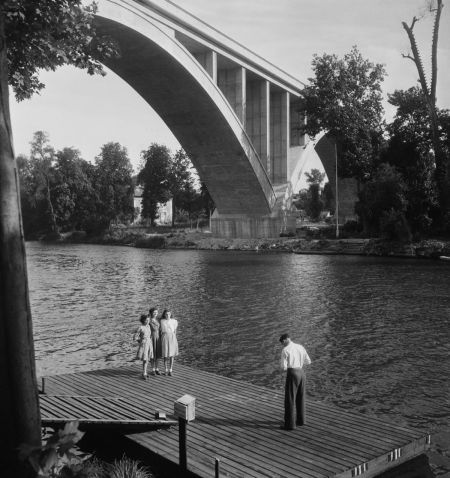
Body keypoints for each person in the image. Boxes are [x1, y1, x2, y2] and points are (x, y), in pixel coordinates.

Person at [279, 333, 311, 430]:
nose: (282, 345)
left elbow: (283, 367)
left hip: (292, 373)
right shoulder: (300, 347)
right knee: (301, 397)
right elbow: (308, 361)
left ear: (284, 340)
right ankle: (301, 421)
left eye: (282, 343)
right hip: (301, 373)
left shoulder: (285, 350)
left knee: (290, 399)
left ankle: (289, 425)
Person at [134, 314, 153, 380]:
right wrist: (140, 341)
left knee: (147, 359)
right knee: (145, 359)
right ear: (143, 320)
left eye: (148, 320)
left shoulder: (148, 326)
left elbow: (150, 335)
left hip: (149, 343)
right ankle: (144, 373)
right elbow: (135, 337)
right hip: (144, 344)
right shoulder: (140, 327)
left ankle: (145, 372)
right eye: (146, 320)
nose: (148, 321)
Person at [160, 309, 178, 376]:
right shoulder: (162, 321)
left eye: (169, 314)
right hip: (165, 336)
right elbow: (160, 330)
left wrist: (175, 339)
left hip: (172, 337)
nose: (168, 315)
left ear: (171, 314)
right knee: (165, 354)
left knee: (172, 354)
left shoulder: (174, 321)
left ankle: (170, 370)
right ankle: (165, 370)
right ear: (164, 315)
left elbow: (175, 331)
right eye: (166, 314)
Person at [148, 307, 162, 375]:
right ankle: (153, 369)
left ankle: (157, 368)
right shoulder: (149, 321)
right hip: (152, 338)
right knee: (152, 354)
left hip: (158, 338)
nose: (155, 314)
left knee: (158, 354)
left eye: (156, 312)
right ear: (151, 313)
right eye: (154, 312)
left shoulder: (158, 320)